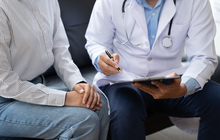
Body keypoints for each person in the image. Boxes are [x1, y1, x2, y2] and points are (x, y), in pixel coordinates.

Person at [85, 0, 220, 139]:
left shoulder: (195, 2)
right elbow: (96, 42)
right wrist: (102, 59)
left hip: (171, 79)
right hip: (124, 79)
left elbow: (203, 56)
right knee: (125, 111)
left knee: (217, 99)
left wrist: (184, 87)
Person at [0, 0, 109, 140]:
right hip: (4, 100)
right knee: (84, 121)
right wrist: (66, 98)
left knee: (99, 104)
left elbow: (60, 51)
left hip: (34, 87)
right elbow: (5, 84)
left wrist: (78, 84)